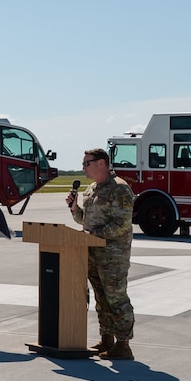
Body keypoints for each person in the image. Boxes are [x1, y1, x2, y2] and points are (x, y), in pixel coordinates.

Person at [67, 146, 137, 359]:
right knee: (100, 297)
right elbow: (84, 220)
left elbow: (122, 224)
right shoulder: (91, 189)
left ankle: (123, 344)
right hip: (92, 253)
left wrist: (93, 236)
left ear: (101, 163)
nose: (83, 168)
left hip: (112, 256)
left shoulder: (120, 189)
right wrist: (74, 209)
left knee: (116, 298)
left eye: (86, 163)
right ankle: (106, 340)